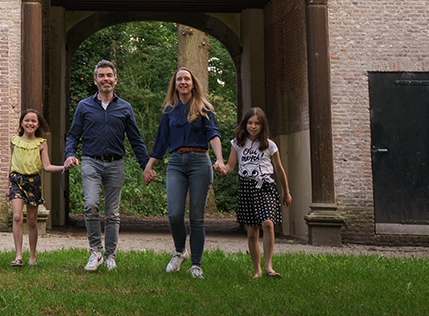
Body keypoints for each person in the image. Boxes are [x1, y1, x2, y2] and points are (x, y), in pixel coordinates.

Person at [63, 59, 150, 273]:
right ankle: (96, 251)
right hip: (91, 162)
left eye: (109, 75)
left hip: (115, 164)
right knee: (90, 205)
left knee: (112, 213)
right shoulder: (84, 106)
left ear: (115, 80)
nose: (106, 79)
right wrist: (70, 154)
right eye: (101, 76)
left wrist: (146, 166)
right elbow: (73, 135)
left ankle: (110, 255)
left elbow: (136, 140)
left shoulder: (125, 108)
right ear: (95, 81)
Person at [142, 67, 227, 278]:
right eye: (179, 79)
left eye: (186, 79)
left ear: (192, 83)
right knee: (174, 214)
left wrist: (219, 159)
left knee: (197, 217)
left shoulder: (204, 107)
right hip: (176, 164)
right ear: (175, 84)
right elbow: (161, 142)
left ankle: (196, 265)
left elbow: (213, 134)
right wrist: (149, 165)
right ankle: (180, 251)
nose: (183, 82)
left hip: (200, 162)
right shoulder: (169, 111)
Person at [224, 106, 291, 279]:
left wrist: (286, 192)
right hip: (246, 188)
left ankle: (269, 266)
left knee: (268, 223)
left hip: (266, 186)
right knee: (252, 231)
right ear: (245, 124)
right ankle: (257, 271)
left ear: (263, 126)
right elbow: (230, 167)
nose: (253, 126)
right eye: (250, 123)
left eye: (257, 123)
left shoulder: (269, 145)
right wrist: (220, 169)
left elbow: (279, 169)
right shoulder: (237, 144)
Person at [8, 108, 71, 266]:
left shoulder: (41, 144)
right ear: (22, 123)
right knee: (17, 217)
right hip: (16, 180)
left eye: (33, 121)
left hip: (33, 182)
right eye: (27, 120)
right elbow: (11, 164)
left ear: (38, 124)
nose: (30, 123)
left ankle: (33, 256)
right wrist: (7, 186)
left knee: (32, 221)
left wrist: (64, 167)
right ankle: (18, 255)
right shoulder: (14, 141)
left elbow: (47, 166)